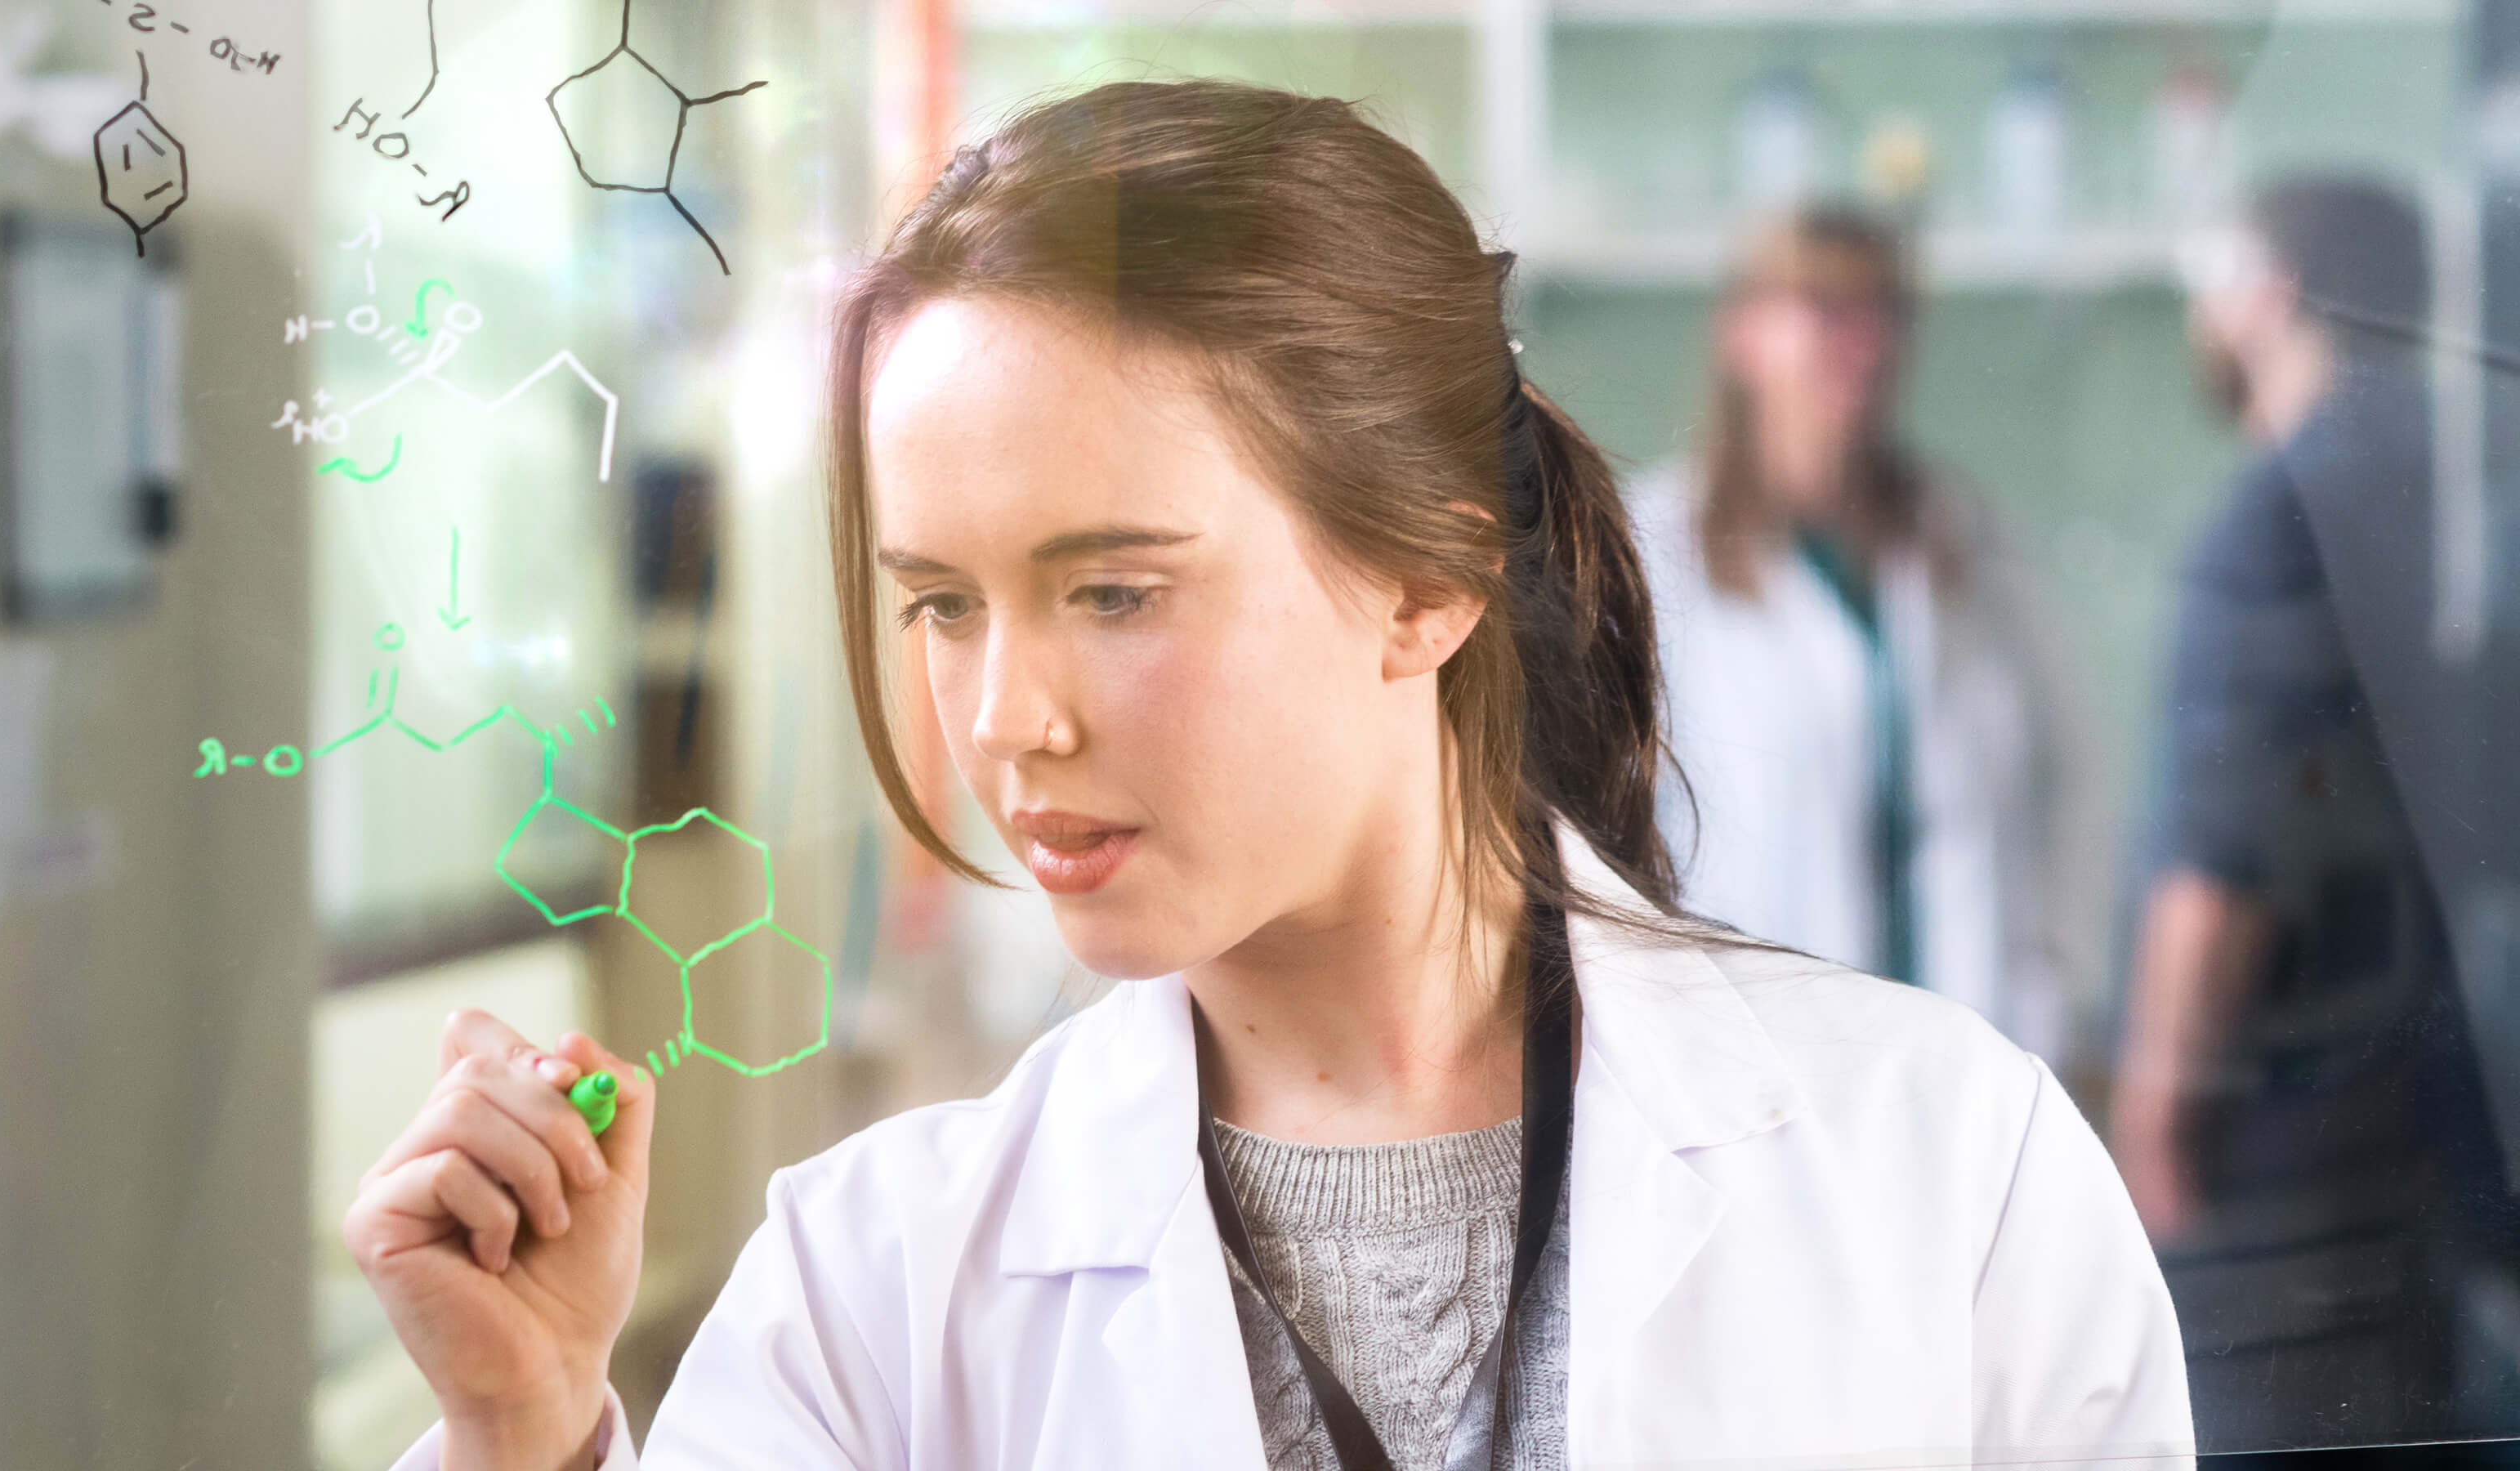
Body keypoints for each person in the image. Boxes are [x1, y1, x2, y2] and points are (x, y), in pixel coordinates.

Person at [346, 82, 2192, 1471]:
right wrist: (529, 1431)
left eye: (1115, 590)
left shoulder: (1947, 1165)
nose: (1007, 718)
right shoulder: (877, 1284)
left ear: (1430, 574)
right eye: (940, 604)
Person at [2111, 176, 2512, 1450]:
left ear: (2270, 288)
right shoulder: (2460, 493)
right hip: (2441, 1137)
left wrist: (2156, 1127)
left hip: (2284, 1165)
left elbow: (2226, 860)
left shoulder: (2281, 518)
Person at [1625, 208, 2091, 1062]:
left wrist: (2052, 983)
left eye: (1883, 311)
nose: (1862, 341)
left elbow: (2059, 783)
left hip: (1966, 1055)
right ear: (1741, 334)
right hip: (1745, 1064)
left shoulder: (1970, 543)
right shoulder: (1653, 556)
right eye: (1825, 306)